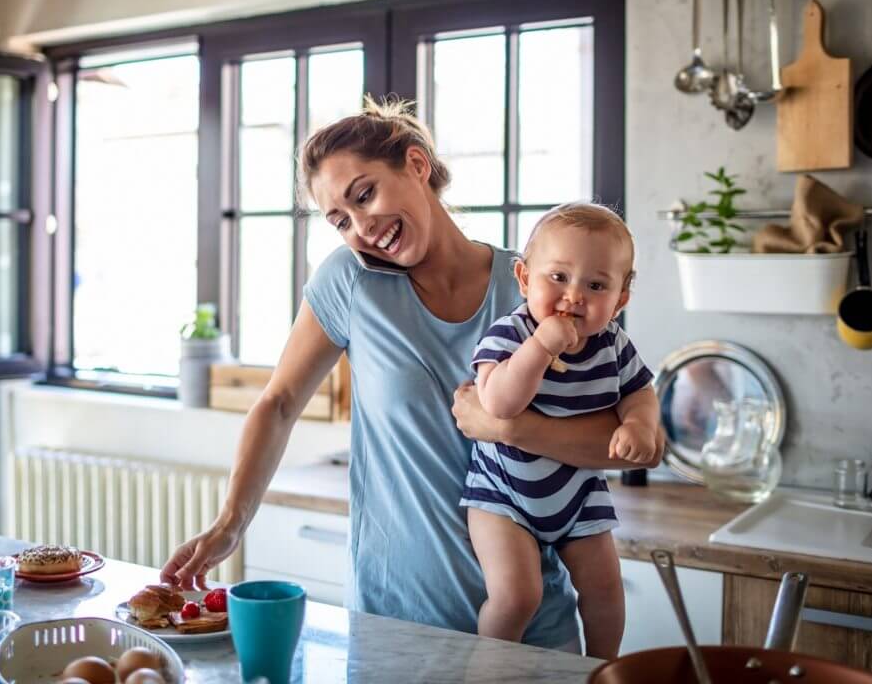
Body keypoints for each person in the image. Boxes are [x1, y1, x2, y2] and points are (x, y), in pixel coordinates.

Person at [160, 98, 664, 650]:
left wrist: (505, 428)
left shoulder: (537, 288)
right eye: (340, 220)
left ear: (417, 166)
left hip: (531, 633)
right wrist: (230, 522)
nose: (362, 227)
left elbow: (623, 442)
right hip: (393, 623)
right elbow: (278, 403)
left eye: (365, 193)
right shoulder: (350, 284)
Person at [463, 203, 659, 657]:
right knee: (517, 595)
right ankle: (487, 669)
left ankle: (602, 667)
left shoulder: (613, 344)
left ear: (620, 300)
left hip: (579, 493)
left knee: (607, 590)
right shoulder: (510, 333)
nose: (574, 296)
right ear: (524, 278)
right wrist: (542, 344)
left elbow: (640, 391)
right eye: (558, 278)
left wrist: (639, 423)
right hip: (502, 495)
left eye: (596, 285)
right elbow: (498, 405)